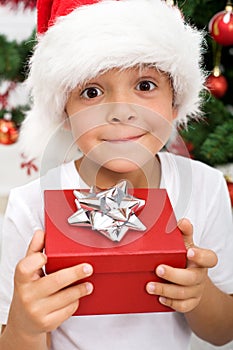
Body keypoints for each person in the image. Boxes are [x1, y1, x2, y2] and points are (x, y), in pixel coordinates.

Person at [0, 0, 233, 349]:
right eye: (92, 92)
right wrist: (26, 325)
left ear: (175, 100)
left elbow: (222, 332)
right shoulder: (30, 207)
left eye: (145, 85)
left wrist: (198, 293)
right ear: (66, 112)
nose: (122, 112)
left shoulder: (205, 187)